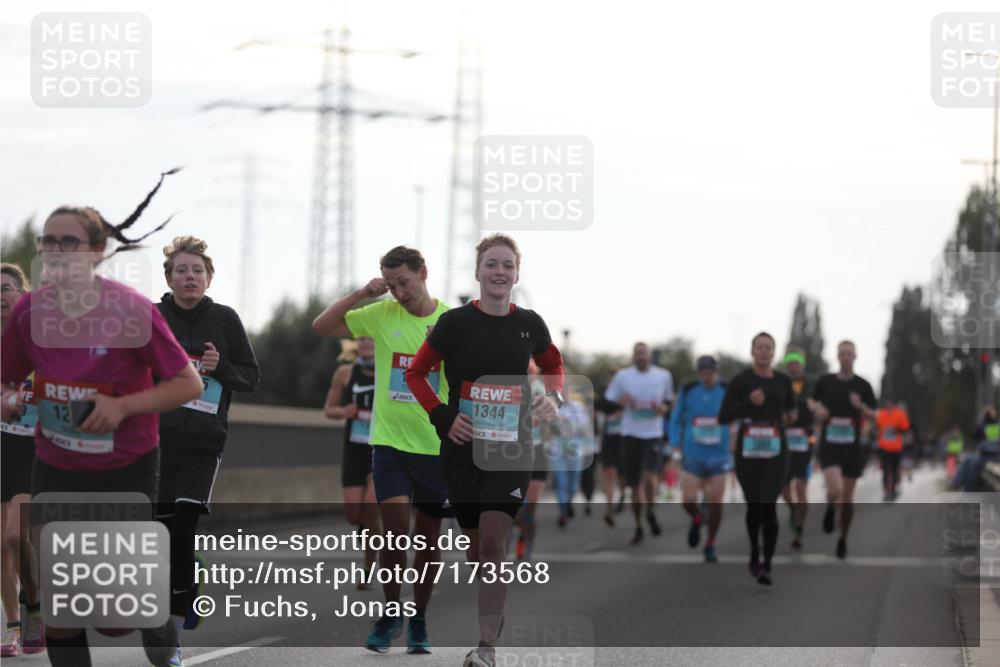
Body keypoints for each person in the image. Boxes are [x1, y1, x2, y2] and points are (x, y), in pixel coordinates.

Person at [0, 173, 205, 667]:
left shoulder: (130, 310)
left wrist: (121, 407)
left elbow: (189, 385)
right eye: (47, 241)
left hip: (126, 466)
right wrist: (7, 398)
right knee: (64, 609)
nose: (55, 250)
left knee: (114, 616)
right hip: (55, 466)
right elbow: (5, 378)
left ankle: (152, 608)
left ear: (97, 251)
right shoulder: (29, 311)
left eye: (67, 241)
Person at [406, 233, 563, 667]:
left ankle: (486, 646)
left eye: (508, 265)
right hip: (462, 448)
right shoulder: (455, 323)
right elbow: (417, 375)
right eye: (491, 264)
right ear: (477, 273)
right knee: (476, 550)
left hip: (512, 447)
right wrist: (443, 416)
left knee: (494, 543)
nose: (499, 272)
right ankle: (493, 621)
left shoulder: (529, 324)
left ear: (516, 274)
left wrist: (554, 398)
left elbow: (553, 365)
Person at [312, 245, 450, 654]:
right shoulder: (381, 314)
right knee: (393, 531)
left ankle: (419, 619)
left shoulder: (450, 322)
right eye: (390, 286)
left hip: (434, 446)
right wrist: (362, 294)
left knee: (427, 541)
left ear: (423, 272)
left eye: (403, 283)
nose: (398, 293)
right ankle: (390, 612)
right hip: (388, 442)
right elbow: (322, 326)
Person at [155, 236, 260, 664]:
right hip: (155, 441)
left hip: (202, 441)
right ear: (169, 278)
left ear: (209, 277)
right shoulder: (152, 318)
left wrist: (222, 369)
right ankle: (189, 580)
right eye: (181, 270)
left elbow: (251, 377)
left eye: (197, 270)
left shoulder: (225, 319)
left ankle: (173, 641)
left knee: (181, 530)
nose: (189, 277)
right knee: (162, 538)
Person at [719, 332, 795, 586]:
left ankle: (767, 563)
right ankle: (754, 550)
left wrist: (793, 417)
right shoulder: (741, 381)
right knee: (754, 506)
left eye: (769, 348)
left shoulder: (783, 381)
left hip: (776, 449)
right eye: (760, 347)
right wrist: (748, 404)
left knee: (769, 504)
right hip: (748, 449)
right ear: (752, 352)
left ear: (774, 353)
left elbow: (791, 410)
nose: (764, 352)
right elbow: (724, 416)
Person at [0, 263, 43, 658]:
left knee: (17, 537)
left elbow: (68, 388)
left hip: (30, 447)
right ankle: (13, 627)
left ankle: (34, 606)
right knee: (0, 544)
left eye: (6, 288)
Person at [808, 340, 878, 560]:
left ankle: (843, 538)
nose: (846, 357)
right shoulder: (826, 382)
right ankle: (830, 509)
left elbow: (875, 416)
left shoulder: (863, 386)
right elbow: (810, 400)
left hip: (852, 448)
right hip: (830, 446)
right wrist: (818, 408)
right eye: (842, 353)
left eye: (849, 353)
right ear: (837, 357)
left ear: (855, 357)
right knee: (835, 490)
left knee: (848, 499)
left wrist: (862, 408)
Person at [604, 343, 674, 545]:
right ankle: (638, 526)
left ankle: (650, 509)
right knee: (633, 484)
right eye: (637, 353)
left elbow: (669, 401)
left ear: (650, 356)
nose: (641, 357)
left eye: (644, 353)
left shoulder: (663, 376)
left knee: (649, 476)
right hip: (629, 434)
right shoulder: (623, 377)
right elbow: (606, 402)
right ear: (633, 357)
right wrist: (620, 402)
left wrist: (663, 407)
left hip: (652, 433)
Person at [323, 337, 380, 583]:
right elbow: (329, 409)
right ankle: (366, 528)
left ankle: (368, 567)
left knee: (371, 507)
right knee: (354, 516)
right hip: (355, 450)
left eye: (372, 338)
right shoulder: (345, 373)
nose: (366, 343)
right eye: (361, 338)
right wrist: (344, 411)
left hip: (381, 450)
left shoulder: (391, 372)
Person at [669, 355, 729, 563]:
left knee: (716, 503)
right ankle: (697, 516)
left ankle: (710, 543)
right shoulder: (689, 390)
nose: (707, 377)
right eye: (703, 373)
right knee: (687, 499)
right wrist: (675, 442)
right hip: (693, 453)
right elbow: (676, 418)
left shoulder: (726, 391)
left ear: (716, 372)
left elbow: (738, 417)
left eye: (710, 373)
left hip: (719, 455)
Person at [514, 361, 550, 561]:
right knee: (514, 507)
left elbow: (550, 411)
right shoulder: (510, 388)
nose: (528, 375)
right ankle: (511, 538)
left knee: (531, 507)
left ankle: (526, 544)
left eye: (531, 372)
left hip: (537, 451)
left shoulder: (540, 389)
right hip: (515, 451)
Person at [779, 347, 813, 550]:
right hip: (783, 442)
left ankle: (799, 529)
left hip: (804, 442)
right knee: (784, 492)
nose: (793, 366)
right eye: (790, 363)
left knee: (801, 488)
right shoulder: (780, 383)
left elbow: (819, 406)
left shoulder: (811, 385)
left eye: (796, 363)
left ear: (802, 365)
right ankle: (793, 510)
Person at [551, 390, 590, 527]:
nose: (564, 395)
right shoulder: (551, 406)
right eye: (561, 392)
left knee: (573, 486)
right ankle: (563, 514)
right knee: (561, 483)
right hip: (557, 451)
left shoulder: (578, 407)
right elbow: (545, 426)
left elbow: (585, 428)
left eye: (566, 392)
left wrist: (569, 422)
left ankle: (568, 503)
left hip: (574, 451)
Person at [595, 370, 624, 527]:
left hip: (624, 439)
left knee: (621, 475)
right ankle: (609, 509)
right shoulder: (605, 395)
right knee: (609, 474)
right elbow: (601, 406)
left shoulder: (628, 393)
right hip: (608, 439)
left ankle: (623, 495)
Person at [875, 398, 911, 501]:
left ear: (893, 404)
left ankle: (894, 490)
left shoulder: (899, 414)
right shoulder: (881, 414)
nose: (888, 405)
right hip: (884, 447)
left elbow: (906, 427)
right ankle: (887, 492)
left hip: (896, 448)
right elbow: (877, 427)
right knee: (885, 470)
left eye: (890, 403)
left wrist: (896, 430)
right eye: (886, 404)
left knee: (895, 470)